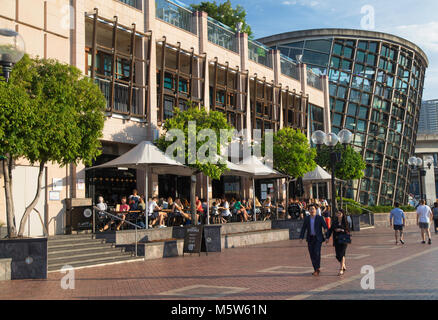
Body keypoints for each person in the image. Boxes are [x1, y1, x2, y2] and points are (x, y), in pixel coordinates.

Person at [299, 204, 329, 276]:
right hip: (310, 238)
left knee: (317, 252)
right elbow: (303, 228)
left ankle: (317, 269)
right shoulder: (307, 218)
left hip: (318, 238)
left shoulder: (320, 218)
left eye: (313, 209)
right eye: (310, 209)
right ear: (308, 210)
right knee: (312, 254)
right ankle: (316, 268)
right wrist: (301, 237)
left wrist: (327, 236)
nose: (312, 210)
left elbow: (325, 227)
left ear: (316, 210)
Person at [326, 209, 350, 275]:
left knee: (342, 254)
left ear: (343, 214)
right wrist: (327, 237)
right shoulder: (335, 222)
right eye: (338, 213)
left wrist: (341, 230)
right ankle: (343, 264)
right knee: (337, 255)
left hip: (344, 240)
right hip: (336, 240)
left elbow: (348, 231)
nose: (338, 215)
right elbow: (330, 230)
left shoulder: (345, 222)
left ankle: (341, 269)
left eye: (340, 213)